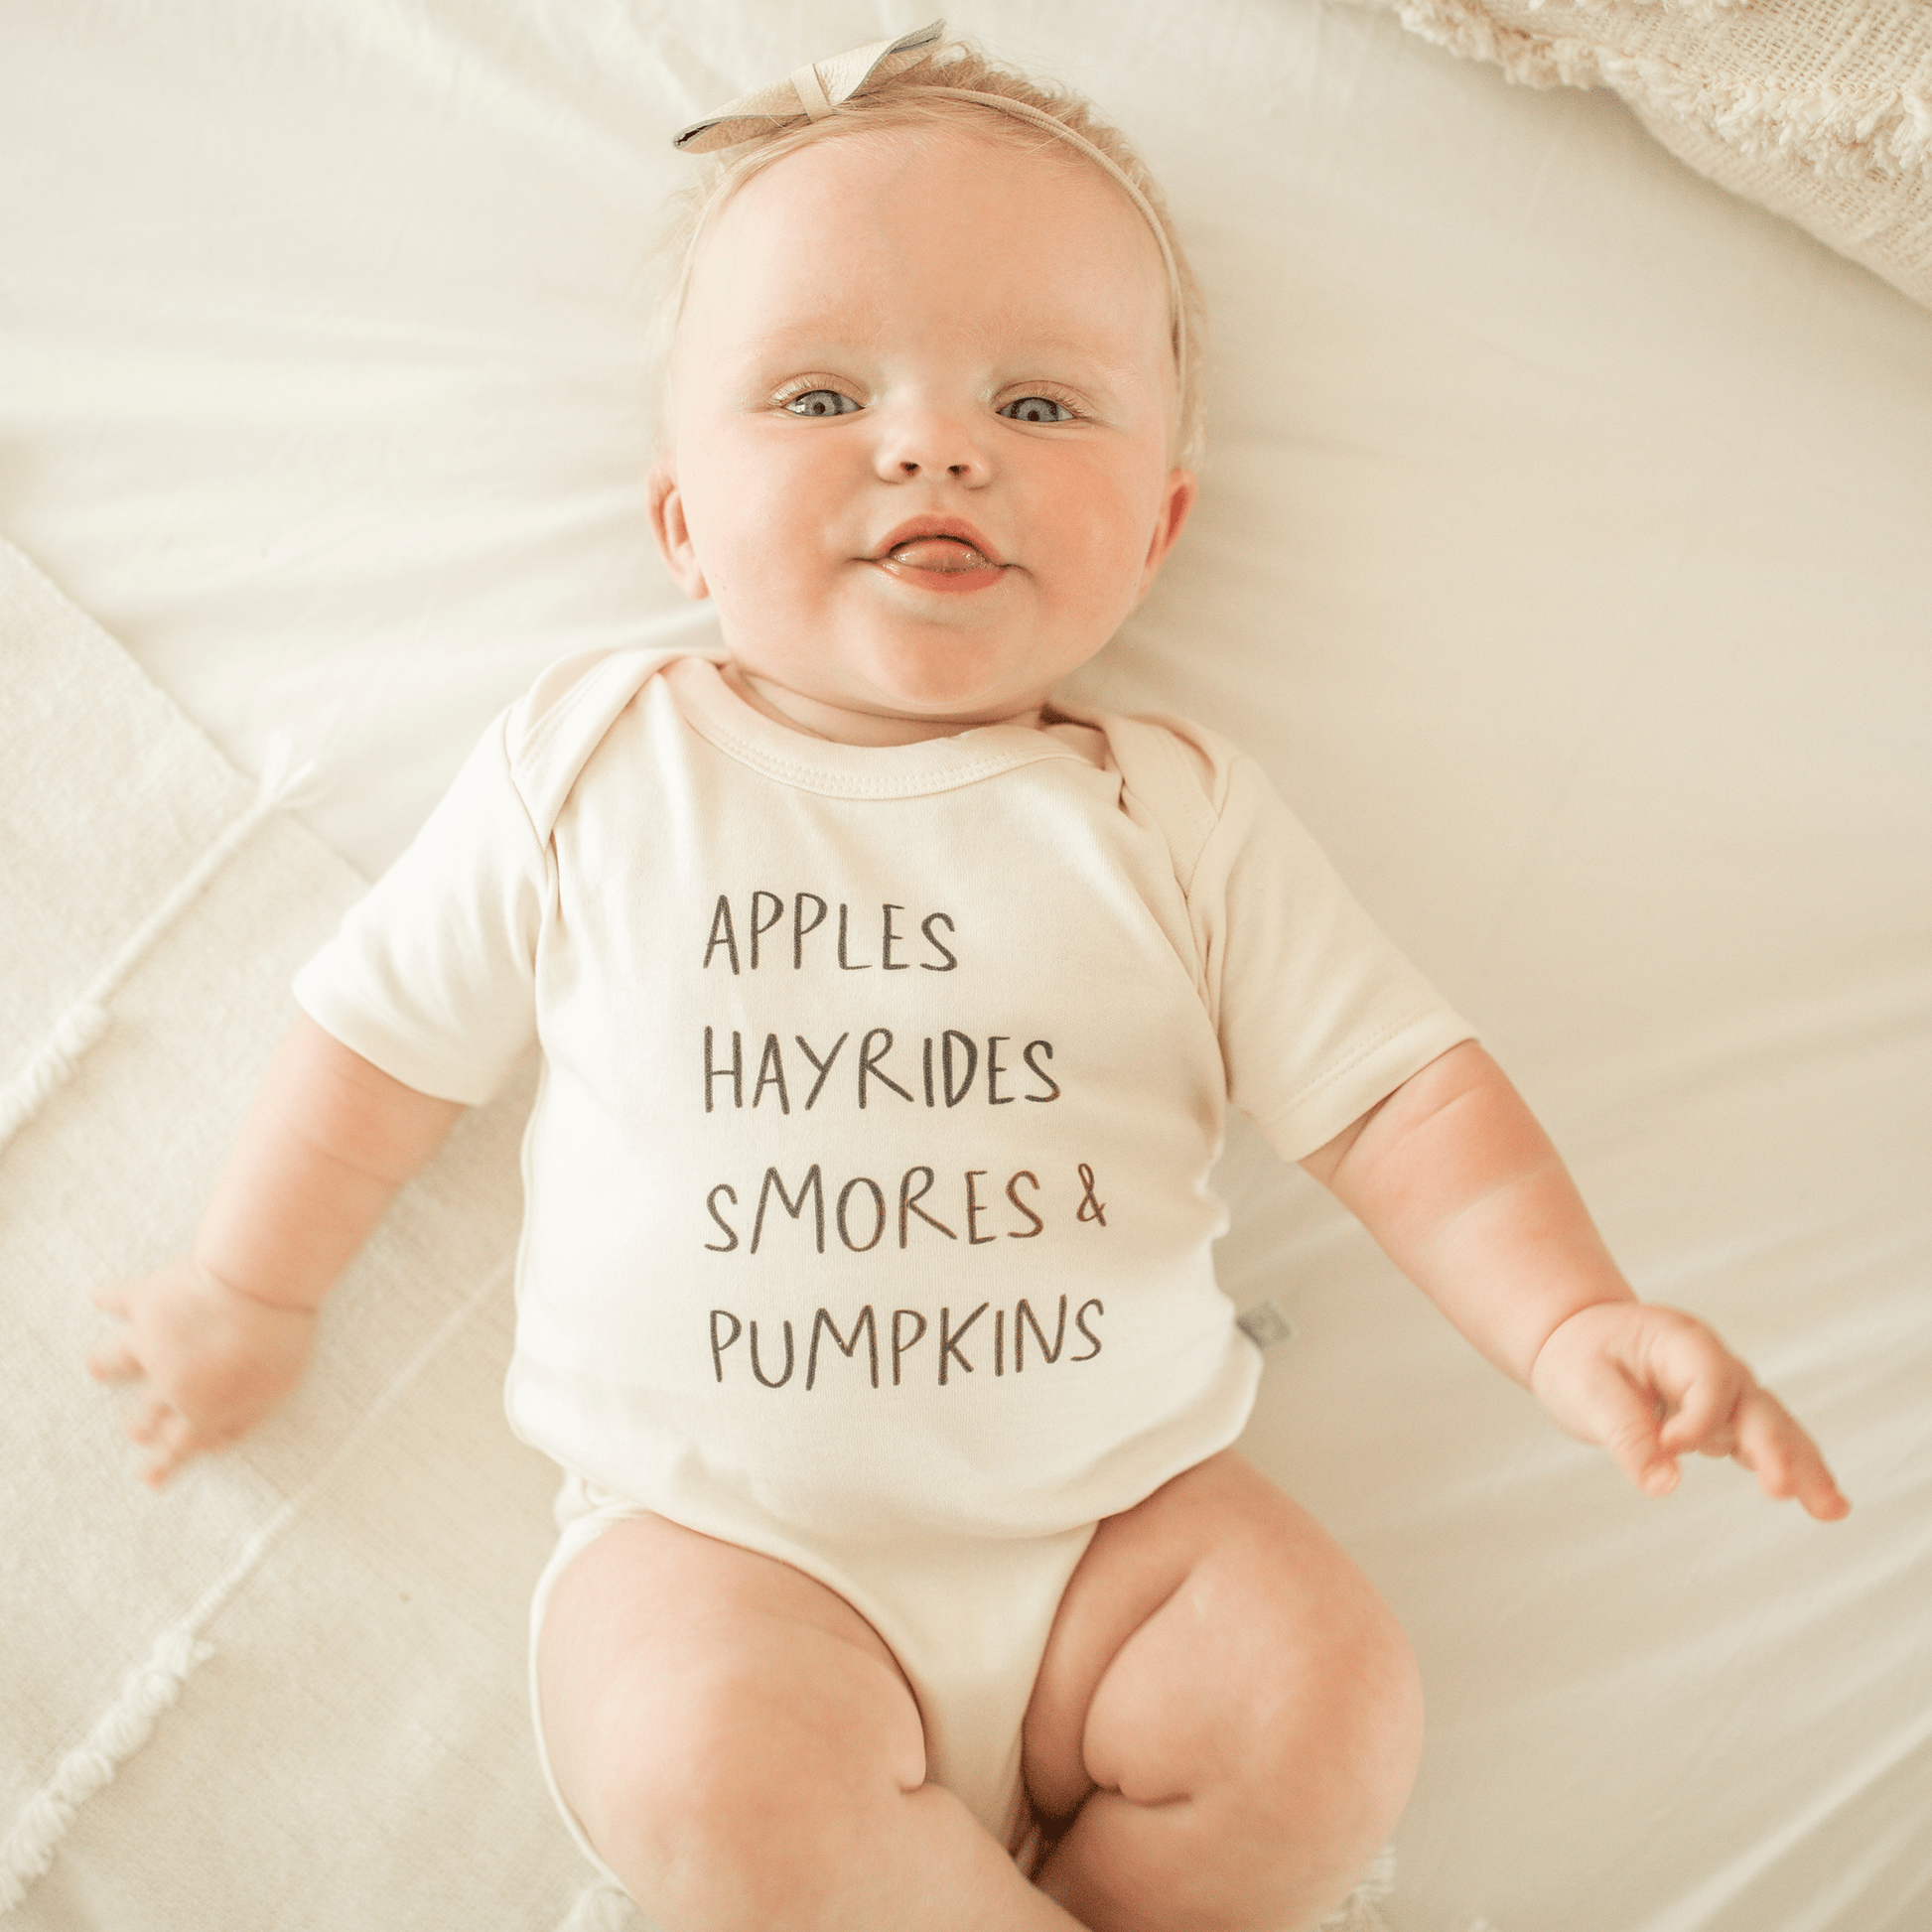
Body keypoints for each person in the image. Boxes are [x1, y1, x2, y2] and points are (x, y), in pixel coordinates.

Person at [85, 24, 1850, 1932]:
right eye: (820, 392)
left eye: (1040, 404)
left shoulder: (1173, 817)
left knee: (1328, 1700)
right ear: (678, 518)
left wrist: (1567, 1316)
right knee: (705, 1771)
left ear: (1156, 527)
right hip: (725, 1553)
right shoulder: (596, 763)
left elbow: (1398, 1100)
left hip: (1122, 1536)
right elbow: (378, 1038)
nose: (933, 443)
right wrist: (249, 1286)